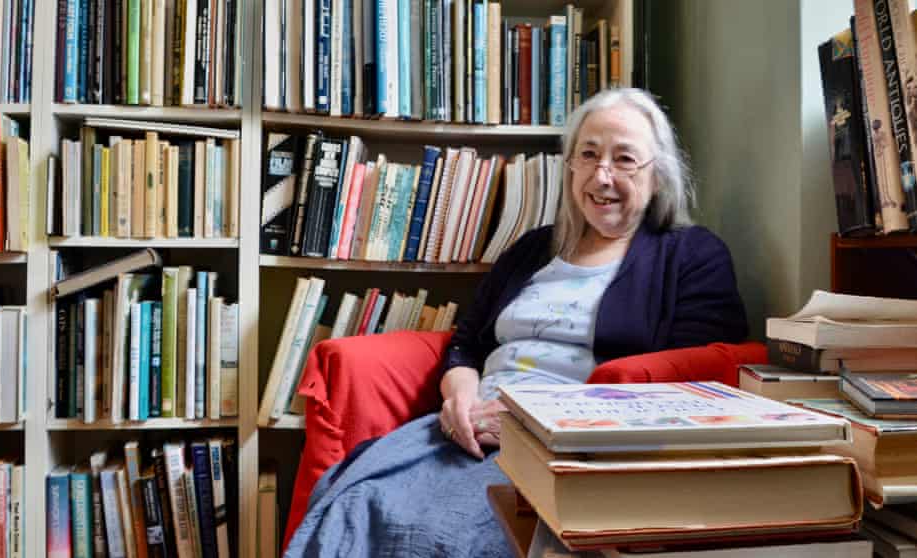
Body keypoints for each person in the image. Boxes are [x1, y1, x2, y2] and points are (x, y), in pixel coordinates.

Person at [284, 88, 748, 557]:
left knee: (441, 536)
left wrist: (542, 428)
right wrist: (459, 402)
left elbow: (694, 380)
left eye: (625, 159)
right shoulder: (532, 249)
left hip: (567, 452)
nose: (601, 175)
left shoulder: (692, 254)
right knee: (358, 502)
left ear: (658, 175)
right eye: (587, 154)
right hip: (467, 434)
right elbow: (466, 345)